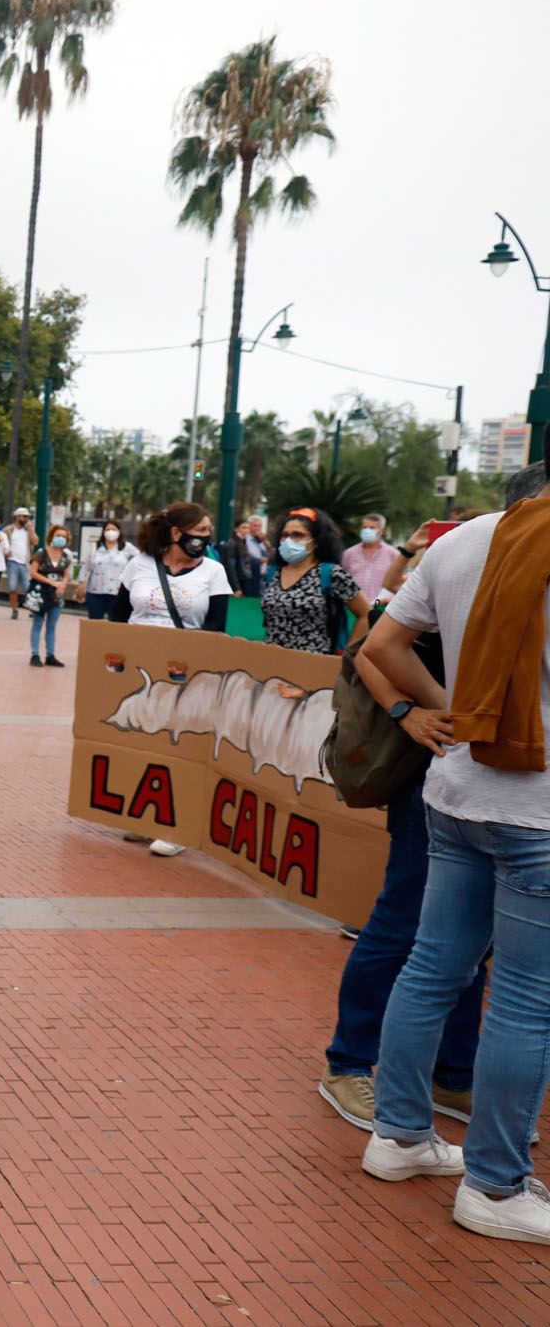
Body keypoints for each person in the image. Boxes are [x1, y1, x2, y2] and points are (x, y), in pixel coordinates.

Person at [361, 463, 550, 1244]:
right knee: (524, 1000)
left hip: (457, 793)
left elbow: (382, 643)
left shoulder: (464, 538)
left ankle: (399, 1134)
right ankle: (495, 1185)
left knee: (433, 965)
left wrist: (442, 712)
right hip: (538, 810)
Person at [318, 584, 483, 1131]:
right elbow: (369, 649)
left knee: (474, 937)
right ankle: (348, 1064)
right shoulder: (463, 560)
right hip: (430, 774)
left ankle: (452, 1073)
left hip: (493, 785)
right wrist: (407, 710)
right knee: (400, 922)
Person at [109, 502, 231, 856]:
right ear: (177, 533)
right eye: (201, 530)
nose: (206, 537)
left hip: (185, 675)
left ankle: (176, 825)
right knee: (141, 741)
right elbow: (117, 617)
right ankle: (145, 814)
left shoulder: (214, 572)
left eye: (208, 532)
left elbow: (216, 628)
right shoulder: (139, 566)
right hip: (138, 671)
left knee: (178, 745)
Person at [261, 507, 371, 655]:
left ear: (316, 541)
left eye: (297, 535)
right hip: (272, 662)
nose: (288, 541)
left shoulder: (331, 574)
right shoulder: (274, 572)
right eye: (284, 535)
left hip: (313, 665)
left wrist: (347, 656)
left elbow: (366, 615)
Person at [27, 524, 73, 667]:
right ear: (52, 536)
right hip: (40, 592)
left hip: (56, 595)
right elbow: (33, 572)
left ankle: (50, 655)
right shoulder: (42, 553)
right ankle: (35, 654)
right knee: (38, 623)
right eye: (58, 535)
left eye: (64, 537)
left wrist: (63, 584)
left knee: (52, 625)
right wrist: (50, 581)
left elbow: (66, 574)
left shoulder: (66, 556)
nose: (61, 538)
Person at [84, 519, 134, 620]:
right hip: (95, 592)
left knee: (116, 623)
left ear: (119, 531)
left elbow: (138, 562)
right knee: (95, 623)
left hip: (118, 592)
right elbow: (85, 566)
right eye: (108, 529)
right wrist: (81, 584)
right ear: (103, 532)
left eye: (113, 529)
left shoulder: (126, 547)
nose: (110, 532)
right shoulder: (95, 547)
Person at [342, 511, 394, 601]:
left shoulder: (393, 554)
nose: (367, 530)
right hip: (354, 608)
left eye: (372, 528)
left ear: (381, 531)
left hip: (380, 607)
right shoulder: (349, 554)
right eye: (364, 527)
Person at [220, 514, 268, 599]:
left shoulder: (242, 542)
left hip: (247, 582)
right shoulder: (232, 543)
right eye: (243, 527)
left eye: (248, 528)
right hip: (239, 584)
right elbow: (230, 568)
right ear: (236, 529)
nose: (246, 530)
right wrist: (236, 588)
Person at [3, 508, 35, 617]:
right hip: (12, 562)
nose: (26, 519)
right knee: (12, 588)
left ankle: (32, 609)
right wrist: (5, 553)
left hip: (25, 563)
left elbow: (35, 542)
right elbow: (2, 543)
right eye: (24, 516)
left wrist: (30, 529)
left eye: (27, 517)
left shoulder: (28, 530)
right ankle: (14, 610)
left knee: (28, 588)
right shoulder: (8, 529)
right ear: (17, 516)